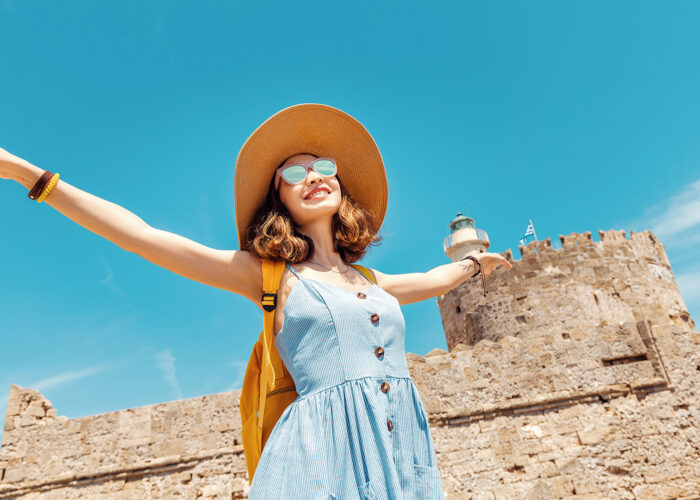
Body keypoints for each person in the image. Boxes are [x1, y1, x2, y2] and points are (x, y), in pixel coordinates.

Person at [0, 103, 512, 499]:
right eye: (293, 173)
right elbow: (141, 236)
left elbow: (432, 278)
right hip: (320, 459)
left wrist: (473, 265)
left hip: (403, 454)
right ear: (279, 201)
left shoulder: (371, 281)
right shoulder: (269, 276)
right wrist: (30, 175)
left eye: (323, 166)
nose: (312, 176)